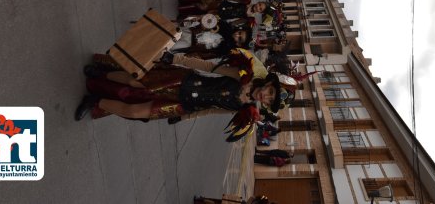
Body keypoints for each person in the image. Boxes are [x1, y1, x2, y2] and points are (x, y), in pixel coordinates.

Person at [75, 49, 282, 142]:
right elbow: (208, 66)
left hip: (182, 104)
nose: (266, 97)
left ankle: (94, 101)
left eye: (270, 101)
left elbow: (209, 110)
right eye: (271, 92)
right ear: (269, 84)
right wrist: (175, 58)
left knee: (136, 112)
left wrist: (183, 117)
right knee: (134, 82)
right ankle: (102, 73)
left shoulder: (244, 110)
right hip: (181, 81)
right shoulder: (242, 76)